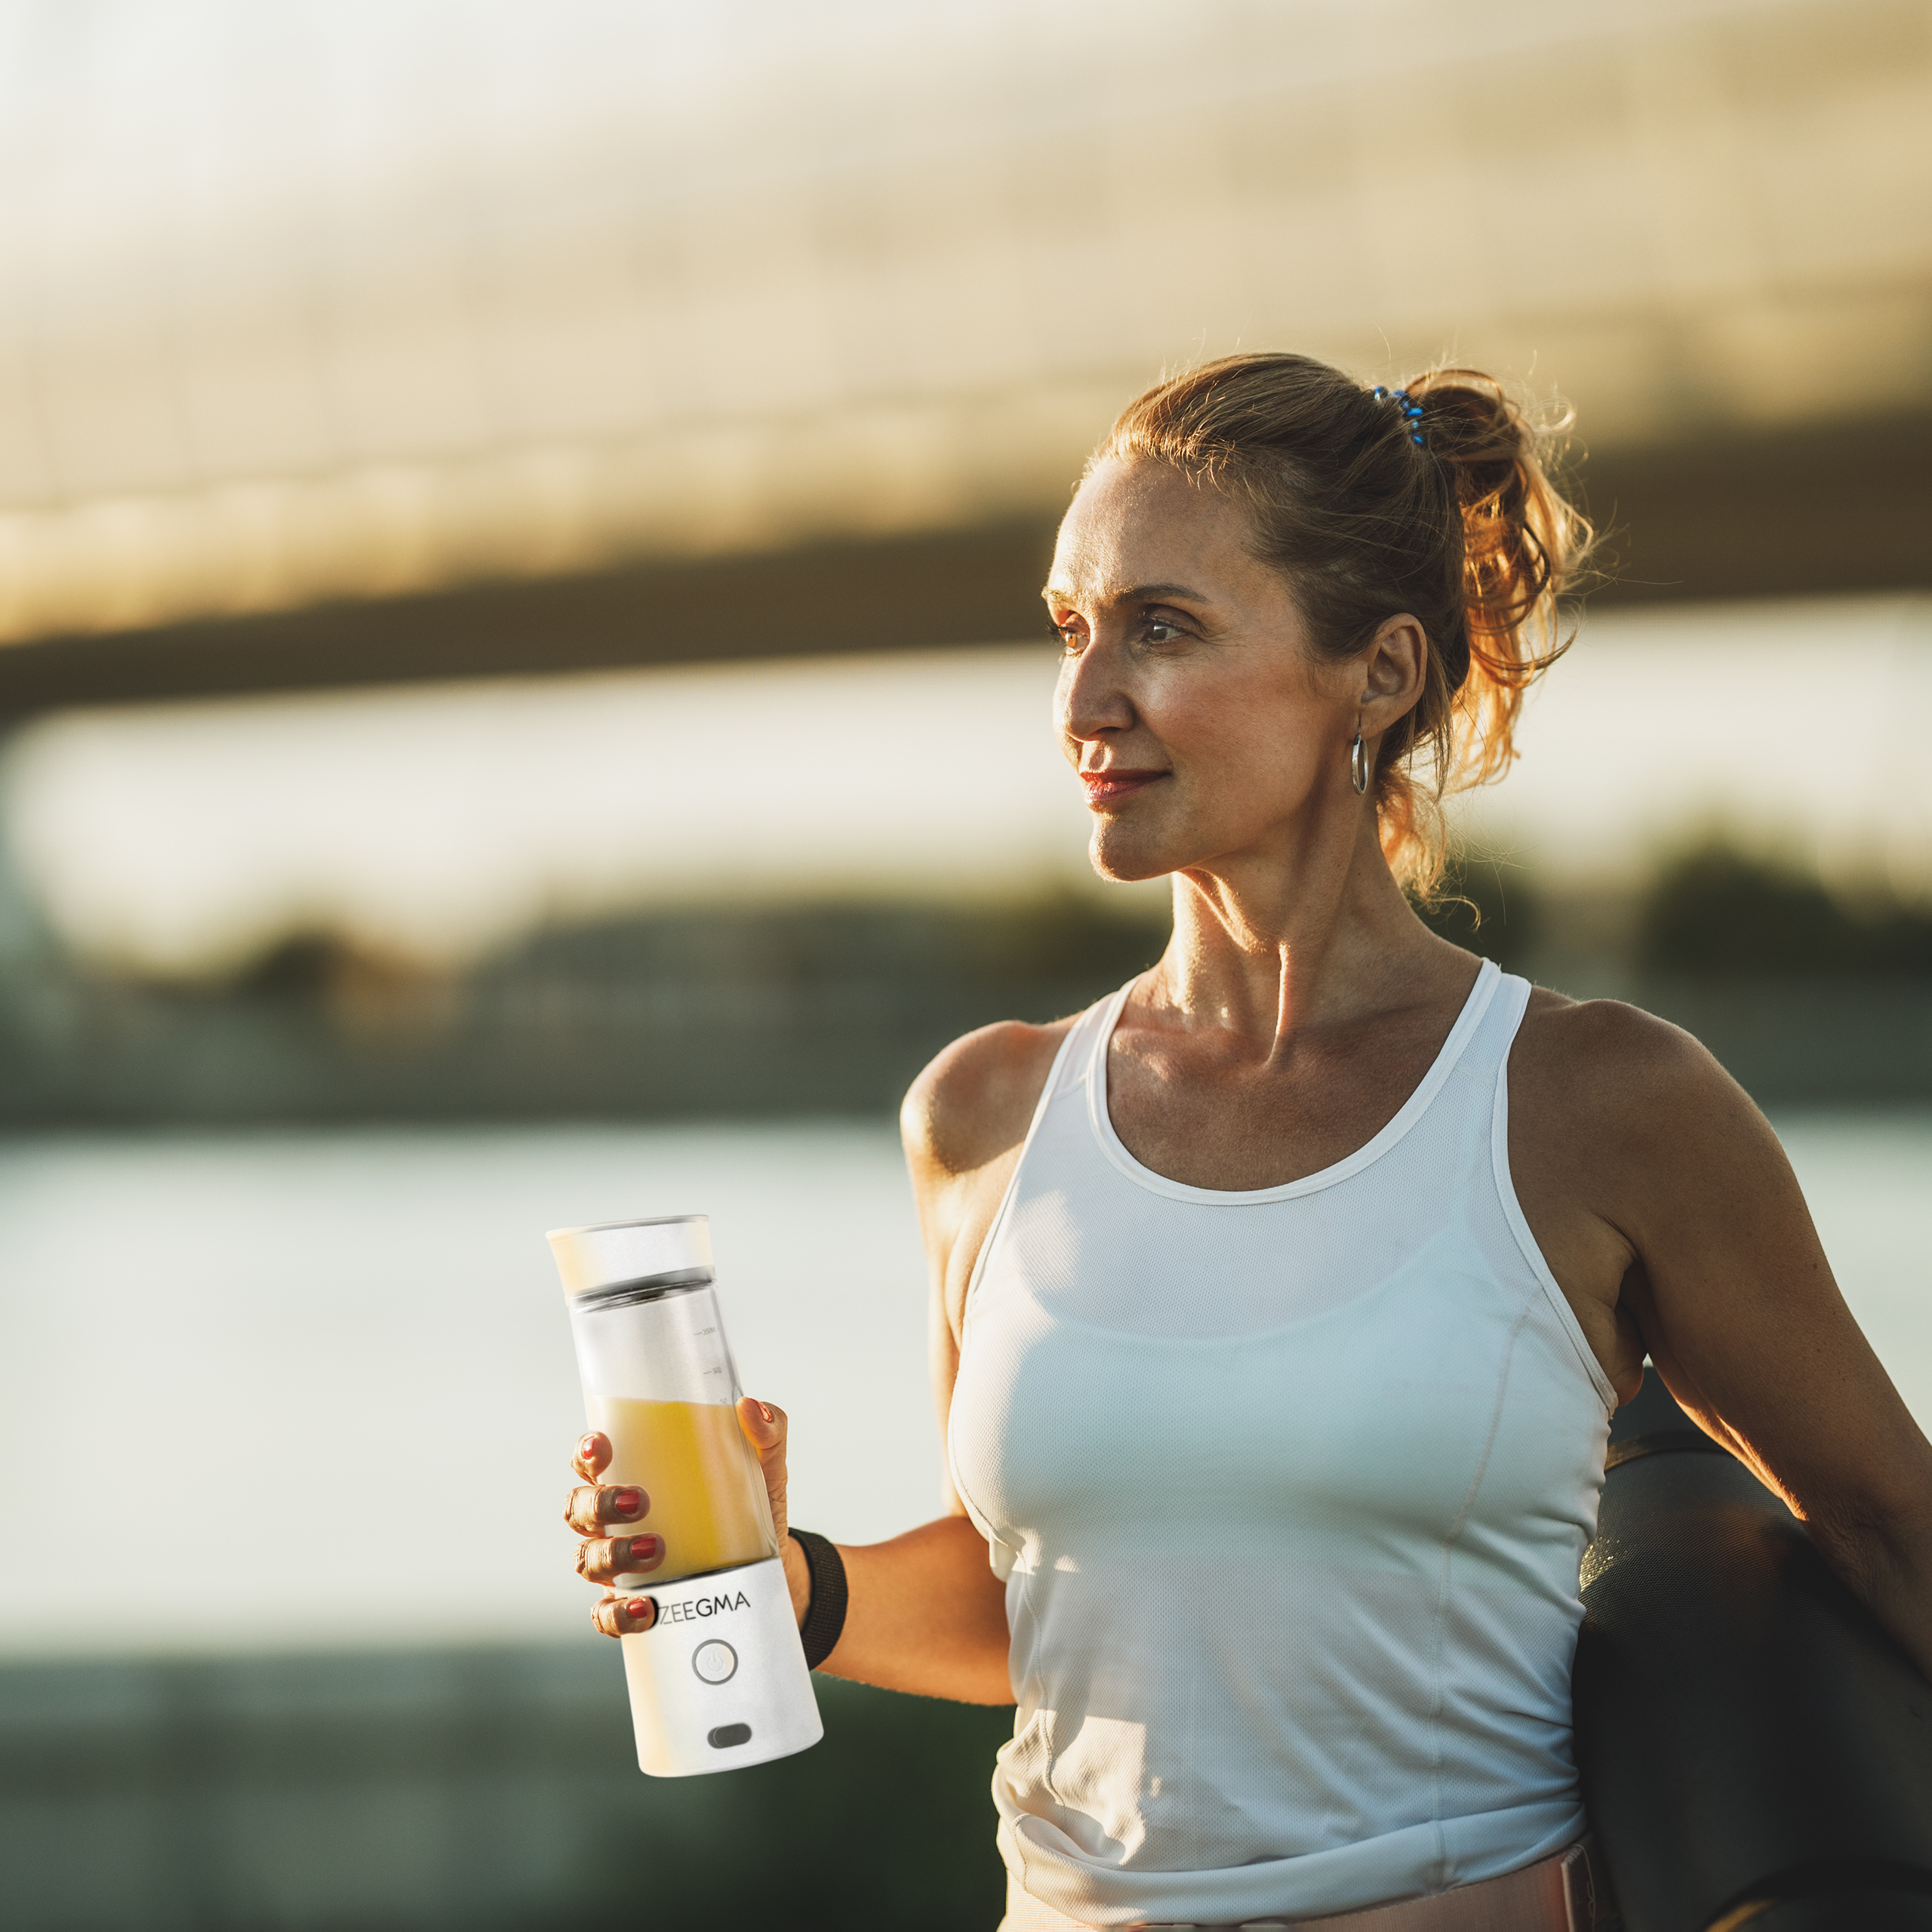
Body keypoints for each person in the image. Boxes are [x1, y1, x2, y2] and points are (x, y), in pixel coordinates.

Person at [563, 352, 1932, 1930]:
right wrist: (786, 1576)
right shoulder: (984, 1115)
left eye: (1161, 626)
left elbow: (1893, 1532)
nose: (1084, 701)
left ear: (1378, 670)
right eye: (1070, 629)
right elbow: (1047, 1604)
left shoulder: (1597, 1105)